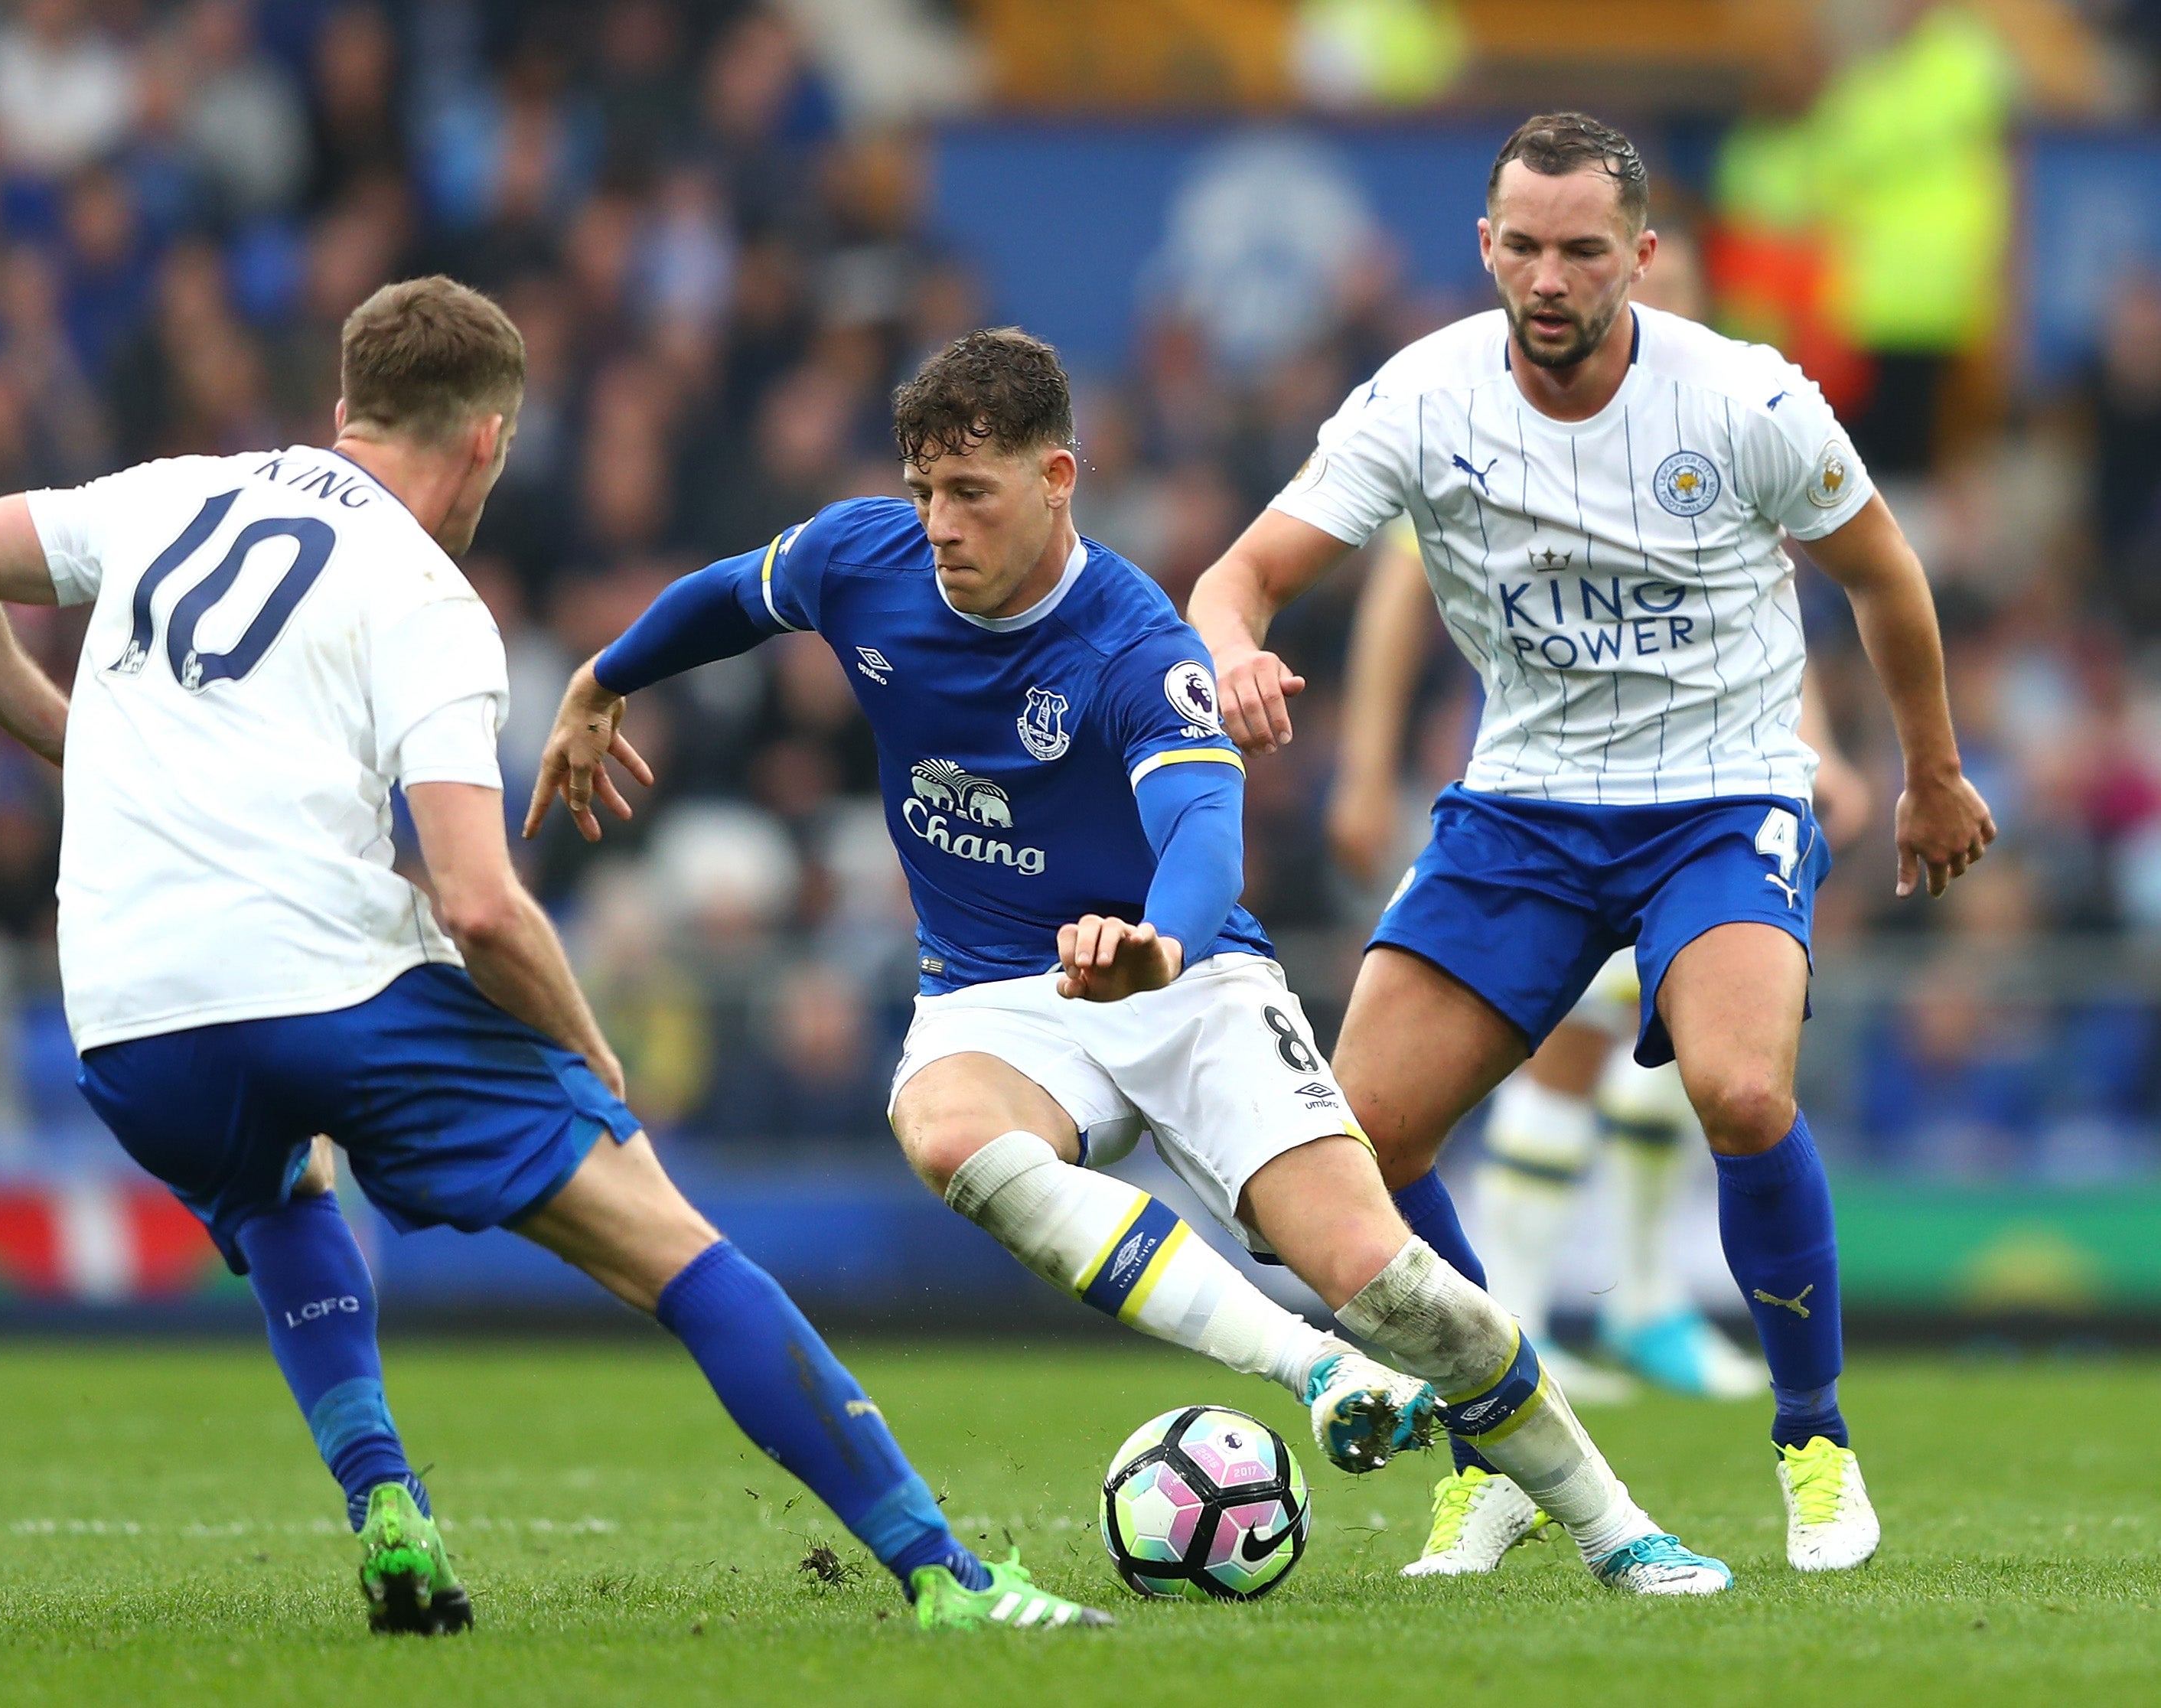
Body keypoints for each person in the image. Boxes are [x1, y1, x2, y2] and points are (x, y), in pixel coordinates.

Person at [0, 275, 1106, 1635]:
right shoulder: (429, 600)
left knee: (281, 1192)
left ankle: (385, 1503)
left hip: (128, 1021)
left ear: (346, 410)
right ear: (487, 441)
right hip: (323, 991)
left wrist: (75, 743)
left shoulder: (168, 493)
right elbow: (480, 904)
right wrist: (587, 1042)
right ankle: (948, 1576)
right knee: (672, 1249)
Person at [533, 327, 1732, 1595]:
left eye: (972, 495)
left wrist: (1155, 943)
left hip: (1191, 979)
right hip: (996, 990)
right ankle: (1311, 1368)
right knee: (946, 1128)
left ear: (1057, 480)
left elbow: (1205, 840)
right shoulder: (857, 559)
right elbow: (729, 597)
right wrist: (604, 679)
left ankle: (1617, 1529)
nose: (938, 525)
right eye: (924, 490)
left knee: (1398, 1294)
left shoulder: (1134, 647)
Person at [1188, 113, 1996, 1578]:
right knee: (1359, 1140)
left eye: (1581, 248)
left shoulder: (1742, 400)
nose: (1548, 276)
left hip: (1724, 790)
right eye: (1523, 244)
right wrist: (1233, 649)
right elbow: (1236, 576)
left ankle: (1812, 1446)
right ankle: (1505, 1433)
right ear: (1483, 244)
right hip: (1525, 805)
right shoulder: (1422, 399)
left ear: (1641, 255)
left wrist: (1930, 773)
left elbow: (1883, 573)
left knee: (1741, 1091)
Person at [1325, 219, 1876, 1407]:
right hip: (1548, 796)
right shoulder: (1476, 413)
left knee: (1699, 1072)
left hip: (1705, 794)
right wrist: (1365, 771)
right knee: (1562, 1066)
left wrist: (1814, 751)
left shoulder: (1725, 405)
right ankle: (1536, 1319)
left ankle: (1639, 1304)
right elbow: (1391, 600)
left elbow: (1753, 612)